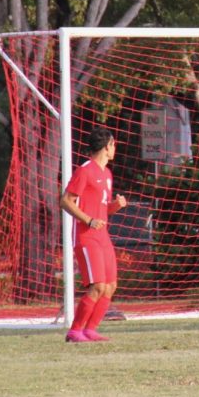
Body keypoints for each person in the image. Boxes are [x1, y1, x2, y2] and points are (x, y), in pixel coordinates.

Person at [59, 127, 127, 342]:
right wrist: (88, 220)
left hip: (102, 236)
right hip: (86, 236)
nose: (115, 148)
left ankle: (90, 330)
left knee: (110, 286)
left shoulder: (107, 174)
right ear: (107, 146)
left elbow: (102, 210)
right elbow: (65, 201)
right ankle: (75, 331)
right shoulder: (85, 171)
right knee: (97, 286)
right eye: (114, 144)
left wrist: (116, 206)